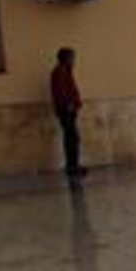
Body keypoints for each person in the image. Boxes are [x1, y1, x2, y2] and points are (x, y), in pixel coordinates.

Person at [50, 47, 87, 185]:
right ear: (65, 58)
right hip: (66, 110)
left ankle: (74, 165)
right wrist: (69, 104)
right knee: (71, 138)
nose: (74, 60)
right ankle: (72, 167)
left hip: (69, 109)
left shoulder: (65, 71)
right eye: (72, 57)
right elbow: (61, 92)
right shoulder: (59, 72)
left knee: (73, 138)